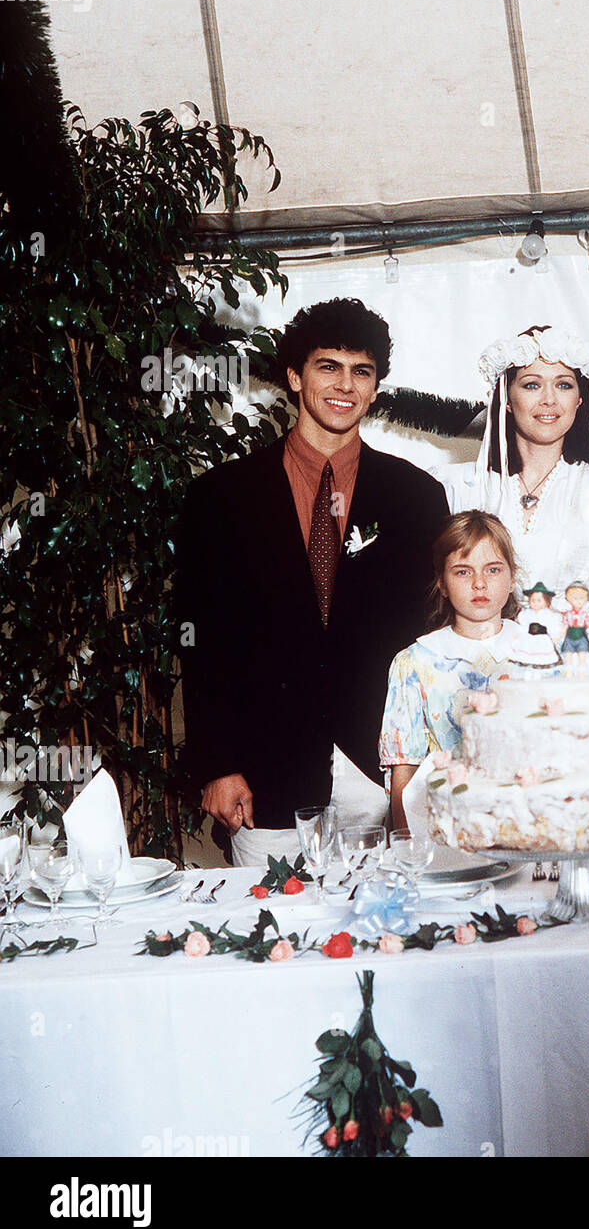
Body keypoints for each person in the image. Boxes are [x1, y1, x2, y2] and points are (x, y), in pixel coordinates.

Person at [175, 298, 450, 867]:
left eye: (362, 371)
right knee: (272, 943)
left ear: (376, 388)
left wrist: (423, 768)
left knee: (389, 943)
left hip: (382, 774)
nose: (345, 385)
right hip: (264, 775)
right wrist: (217, 765)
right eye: (328, 366)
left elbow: (434, 639)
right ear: (296, 377)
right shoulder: (221, 497)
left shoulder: (418, 498)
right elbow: (204, 642)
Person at [434, 325, 589, 670]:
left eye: (563, 384)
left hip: (574, 672)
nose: (549, 400)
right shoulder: (458, 486)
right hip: (477, 668)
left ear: (579, 399)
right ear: (508, 399)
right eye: (532, 384)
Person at [379, 512, 525, 831]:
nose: (479, 584)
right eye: (462, 572)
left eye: (493, 569)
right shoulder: (415, 662)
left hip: (528, 823)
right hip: (446, 827)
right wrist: (408, 845)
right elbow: (405, 769)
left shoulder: (538, 653)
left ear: (513, 578)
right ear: (442, 584)